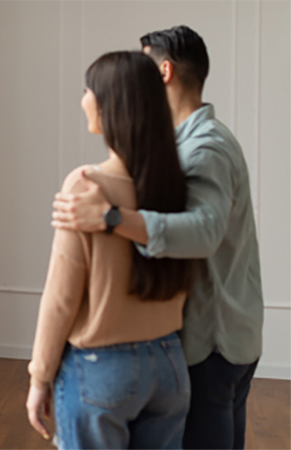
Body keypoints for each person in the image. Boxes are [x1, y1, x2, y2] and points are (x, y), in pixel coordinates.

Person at [51, 26, 263, 449]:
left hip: (211, 342)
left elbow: (203, 233)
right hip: (228, 337)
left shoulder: (203, 149)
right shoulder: (191, 144)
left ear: (163, 72)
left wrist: (110, 216)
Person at [26, 51, 194, 449]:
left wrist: (39, 377)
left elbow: (61, 298)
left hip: (103, 369)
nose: (83, 98)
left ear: (110, 104)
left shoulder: (85, 185)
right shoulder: (176, 185)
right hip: (169, 363)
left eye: (88, 89)